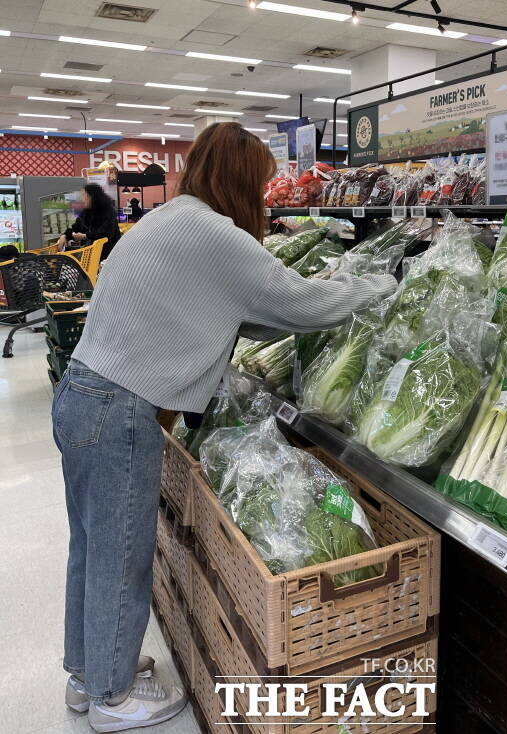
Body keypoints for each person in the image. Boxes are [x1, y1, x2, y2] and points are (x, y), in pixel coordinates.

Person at [51, 122, 397, 733]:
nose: (264, 197)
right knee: (121, 553)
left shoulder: (173, 219)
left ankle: (89, 673)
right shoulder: (215, 233)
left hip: (83, 396)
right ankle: (111, 697)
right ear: (239, 179)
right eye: (261, 184)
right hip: (119, 408)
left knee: (93, 544)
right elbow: (304, 305)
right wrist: (383, 283)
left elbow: (241, 313)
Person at [57, 183, 121, 260]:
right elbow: (76, 228)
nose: (83, 198)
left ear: (93, 197)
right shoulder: (86, 212)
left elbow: (106, 233)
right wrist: (65, 236)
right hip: (91, 257)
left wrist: (85, 236)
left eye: (85, 195)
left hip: (109, 256)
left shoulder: (108, 211)